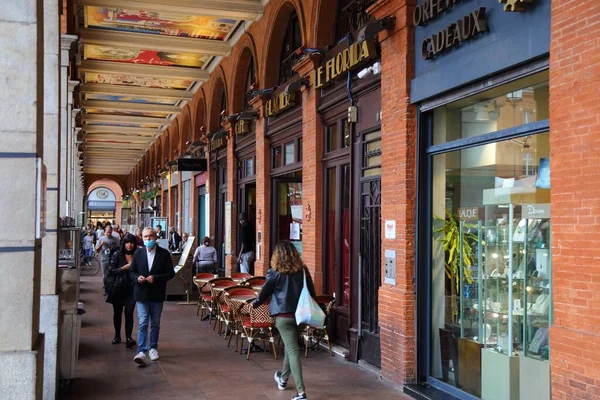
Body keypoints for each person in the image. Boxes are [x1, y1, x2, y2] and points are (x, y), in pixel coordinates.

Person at [252, 241, 315, 400]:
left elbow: (265, 291)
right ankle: (283, 378)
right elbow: (312, 292)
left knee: (292, 350)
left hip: (283, 317)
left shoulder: (275, 272)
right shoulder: (303, 271)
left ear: (276, 256)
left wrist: (256, 303)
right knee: (290, 347)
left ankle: (301, 393)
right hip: (301, 316)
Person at [130, 227, 175, 365]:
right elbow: (132, 271)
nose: (148, 239)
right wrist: (137, 278)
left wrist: (156, 278)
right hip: (141, 294)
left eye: (150, 236)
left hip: (157, 293)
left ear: (156, 237)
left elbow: (170, 273)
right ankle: (142, 350)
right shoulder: (138, 253)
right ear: (142, 238)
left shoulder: (164, 254)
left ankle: (153, 348)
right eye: (145, 237)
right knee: (143, 322)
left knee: (155, 323)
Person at [106, 233, 137, 348]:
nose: (129, 245)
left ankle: (129, 337)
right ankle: (117, 335)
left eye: (132, 242)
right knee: (117, 313)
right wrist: (123, 268)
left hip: (132, 288)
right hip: (118, 287)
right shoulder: (117, 255)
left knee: (129, 313)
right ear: (123, 243)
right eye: (127, 242)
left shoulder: (137, 255)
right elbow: (110, 271)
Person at [95, 225, 120, 292]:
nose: (109, 233)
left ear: (112, 231)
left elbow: (119, 248)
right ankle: (106, 289)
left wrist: (113, 247)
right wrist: (102, 244)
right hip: (104, 259)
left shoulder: (115, 239)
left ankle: (111, 287)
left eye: (110, 232)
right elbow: (97, 250)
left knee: (113, 273)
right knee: (105, 275)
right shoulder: (101, 239)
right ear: (105, 231)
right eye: (107, 232)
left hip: (113, 259)